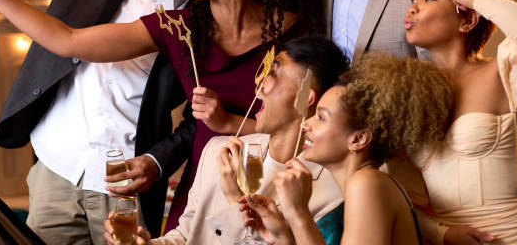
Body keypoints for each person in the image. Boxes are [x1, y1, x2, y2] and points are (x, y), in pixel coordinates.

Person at [0, 0, 324, 234]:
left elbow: (306, 128)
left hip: (275, 188)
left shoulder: (297, 29)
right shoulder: (178, 27)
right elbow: (69, 41)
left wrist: (227, 124)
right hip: (203, 191)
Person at [0, 0, 221, 243]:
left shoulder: (206, 16)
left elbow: (202, 114)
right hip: (56, 166)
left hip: (126, 184)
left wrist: (158, 161)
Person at [104, 35, 348, 245]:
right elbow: (185, 235)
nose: (258, 84)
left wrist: (235, 200)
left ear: (307, 98)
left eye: (273, 73)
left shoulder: (330, 194)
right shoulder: (217, 151)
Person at [244, 53, 452, 245]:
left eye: (321, 117)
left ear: (359, 139)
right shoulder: (363, 186)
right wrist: (281, 235)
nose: (305, 124)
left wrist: (298, 213)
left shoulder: (367, 184)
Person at [402, 0, 517, 244]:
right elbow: (396, 194)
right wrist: (441, 233)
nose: (413, 8)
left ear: (467, 20)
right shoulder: (408, 93)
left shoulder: (500, 72)